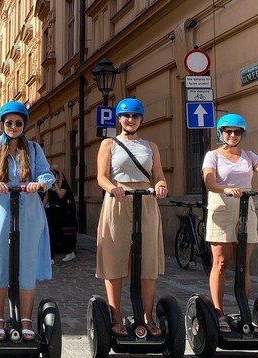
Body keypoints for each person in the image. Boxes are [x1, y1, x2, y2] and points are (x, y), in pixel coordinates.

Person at [0, 101, 54, 341]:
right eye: (9, 123)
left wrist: (41, 183)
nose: (13, 127)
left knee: (26, 266)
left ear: (24, 124)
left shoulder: (33, 149)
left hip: (28, 214)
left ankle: (25, 320)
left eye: (18, 123)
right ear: (2, 124)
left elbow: (46, 173)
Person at [202, 113, 258, 332]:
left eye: (236, 131)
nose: (232, 135)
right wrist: (225, 189)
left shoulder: (249, 156)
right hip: (221, 206)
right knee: (220, 263)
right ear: (221, 133)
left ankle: (243, 311)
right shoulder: (213, 155)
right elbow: (209, 182)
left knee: (243, 264)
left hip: (245, 206)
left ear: (242, 134)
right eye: (228, 131)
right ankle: (219, 313)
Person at [95, 98, 168, 337]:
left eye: (135, 116)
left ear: (141, 119)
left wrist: (161, 186)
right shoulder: (109, 144)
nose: (130, 120)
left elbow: (158, 176)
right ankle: (115, 318)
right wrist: (112, 188)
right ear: (119, 118)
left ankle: (147, 318)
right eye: (126, 116)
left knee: (147, 261)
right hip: (118, 202)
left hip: (145, 203)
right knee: (114, 259)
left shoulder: (151, 146)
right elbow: (102, 177)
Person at [43, 165, 77, 263]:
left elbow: (61, 195)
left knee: (57, 233)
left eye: (53, 174)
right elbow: (47, 196)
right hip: (52, 211)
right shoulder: (51, 185)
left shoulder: (63, 184)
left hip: (62, 212)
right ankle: (51, 257)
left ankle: (67, 252)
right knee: (52, 233)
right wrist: (41, 207)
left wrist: (56, 185)